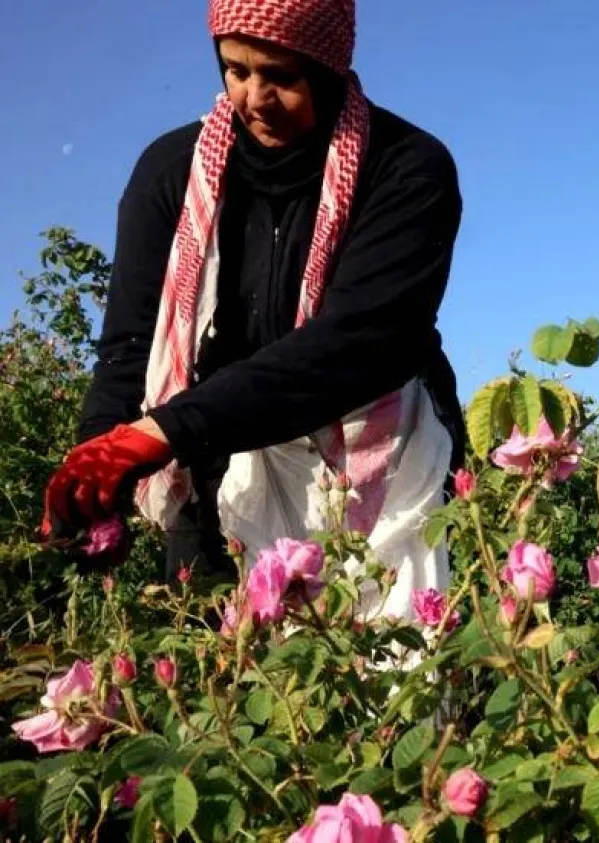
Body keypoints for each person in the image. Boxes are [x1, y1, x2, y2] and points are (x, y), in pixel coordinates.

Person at [41, 0, 467, 621]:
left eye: (280, 76)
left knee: (388, 682)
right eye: (235, 70)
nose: (254, 96)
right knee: (231, 683)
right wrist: (99, 467)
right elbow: (132, 342)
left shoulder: (405, 167)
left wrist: (161, 433)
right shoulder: (173, 171)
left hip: (378, 464)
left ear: (327, 66)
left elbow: (361, 342)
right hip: (215, 474)